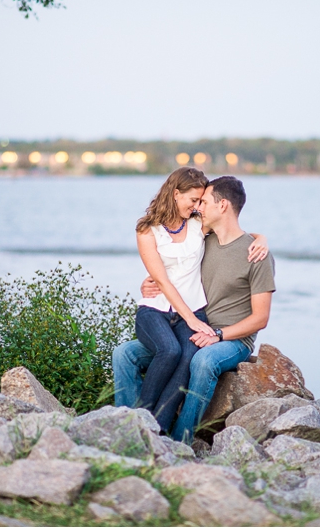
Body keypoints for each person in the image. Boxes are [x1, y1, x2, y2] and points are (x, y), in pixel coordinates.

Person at [115, 175, 276, 443]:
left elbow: (261, 318)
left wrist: (219, 335)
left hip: (232, 337)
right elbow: (175, 267)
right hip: (190, 325)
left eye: (203, 201)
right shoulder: (204, 239)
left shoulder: (256, 254)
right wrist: (150, 283)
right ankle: (126, 426)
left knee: (201, 361)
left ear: (222, 205)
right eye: (196, 200)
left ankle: (178, 442)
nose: (198, 207)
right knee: (124, 354)